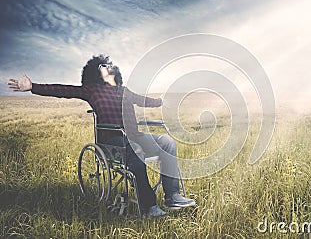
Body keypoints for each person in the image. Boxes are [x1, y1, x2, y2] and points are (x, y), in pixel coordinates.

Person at [8, 54, 195, 217]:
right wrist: (33, 86)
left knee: (167, 142)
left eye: (109, 65)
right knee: (136, 150)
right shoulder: (92, 90)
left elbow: (145, 100)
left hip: (134, 137)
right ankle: (149, 206)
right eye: (103, 66)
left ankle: (172, 197)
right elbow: (63, 90)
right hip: (112, 142)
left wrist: (162, 101)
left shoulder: (124, 91)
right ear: (95, 73)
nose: (108, 67)